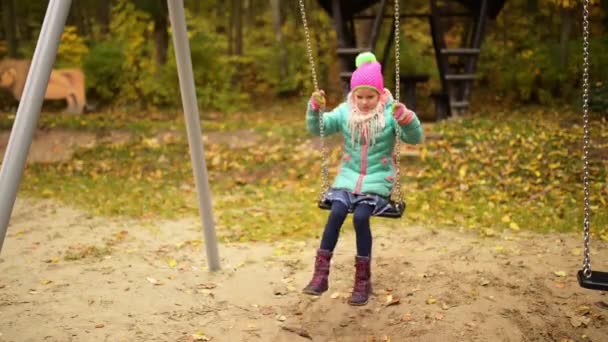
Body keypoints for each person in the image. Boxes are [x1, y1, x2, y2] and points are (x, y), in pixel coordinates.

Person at [302, 52, 423, 306]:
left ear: (380, 94)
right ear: (353, 94)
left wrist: (405, 117)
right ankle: (320, 275)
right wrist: (315, 109)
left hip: (378, 180)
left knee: (360, 217)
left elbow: (415, 137)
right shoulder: (346, 112)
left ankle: (362, 281)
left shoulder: (390, 114)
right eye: (360, 96)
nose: (365, 102)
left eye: (370, 97)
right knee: (335, 213)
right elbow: (318, 128)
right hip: (348, 177)